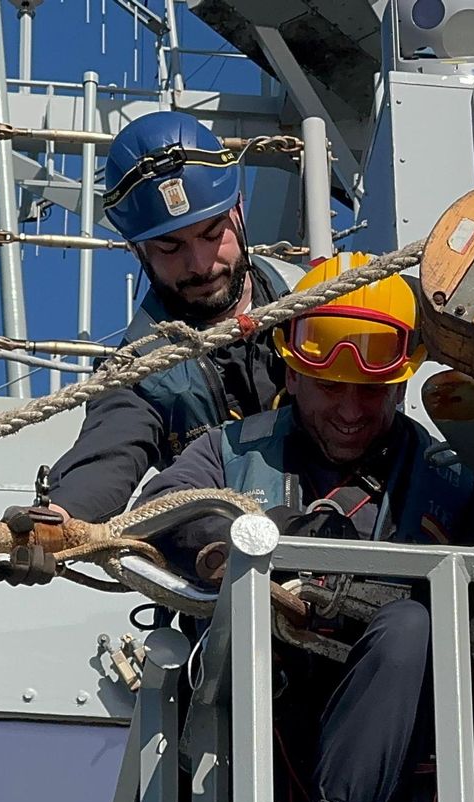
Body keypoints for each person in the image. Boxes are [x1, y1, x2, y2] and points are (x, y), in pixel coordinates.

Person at [134, 253, 474, 802]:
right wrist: (264, 537)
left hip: (389, 774)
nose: (353, 412)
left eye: (373, 392)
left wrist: (360, 598)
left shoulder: (448, 486)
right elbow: (166, 511)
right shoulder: (232, 453)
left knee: (412, 626)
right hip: (252, 743)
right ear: (293, 371)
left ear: (403, 382)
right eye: (332, 386)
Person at [37, 111, 293, 529]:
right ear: (137, 251)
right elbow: (109, 454)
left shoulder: (317, 295)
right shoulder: (141, 373)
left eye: (212, 234)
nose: (200, 264)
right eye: (170, 247)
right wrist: (58, 517)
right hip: (229, 559)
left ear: (239, 210)